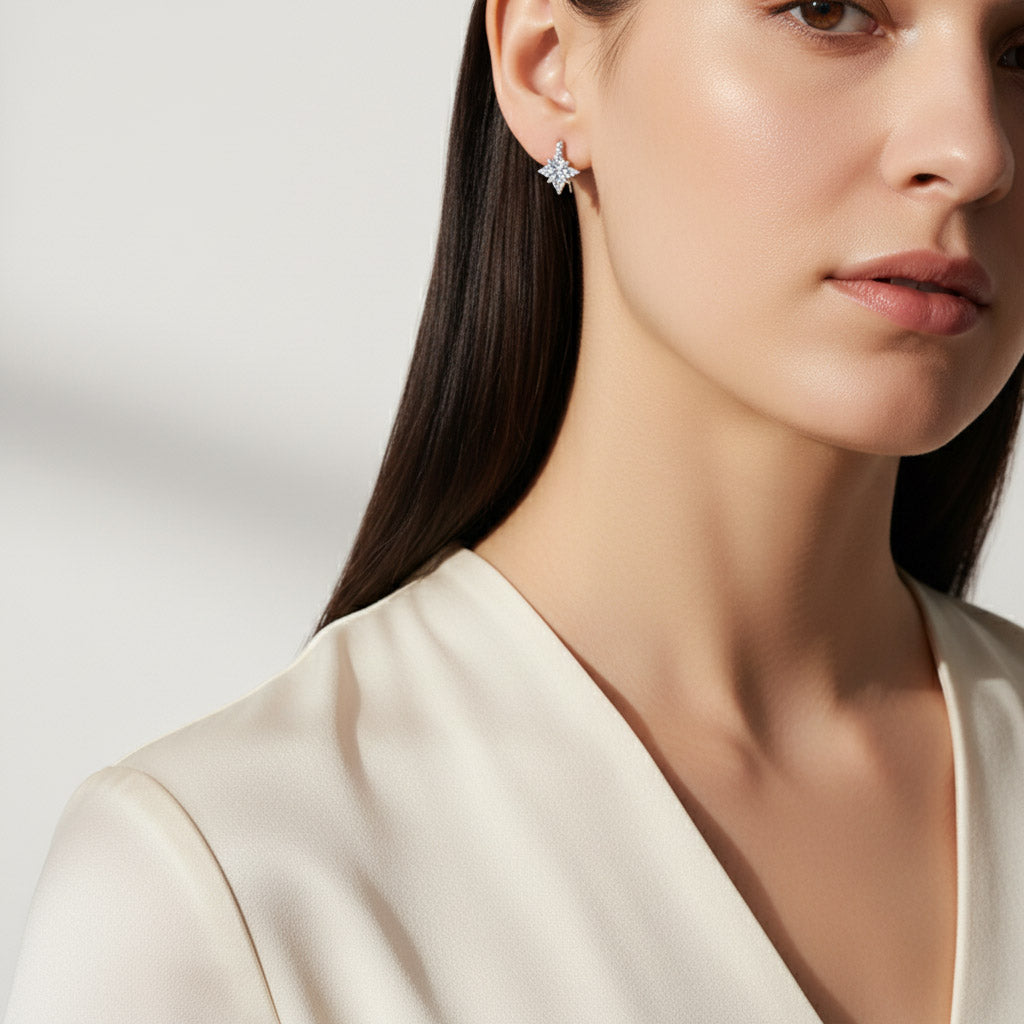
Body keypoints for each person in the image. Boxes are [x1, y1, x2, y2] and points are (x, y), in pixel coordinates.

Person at [6, 0, 1024, 1020]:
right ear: (547, 65)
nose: (975, 150)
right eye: (829, 11)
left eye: (1023, 53)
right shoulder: (227, 886)